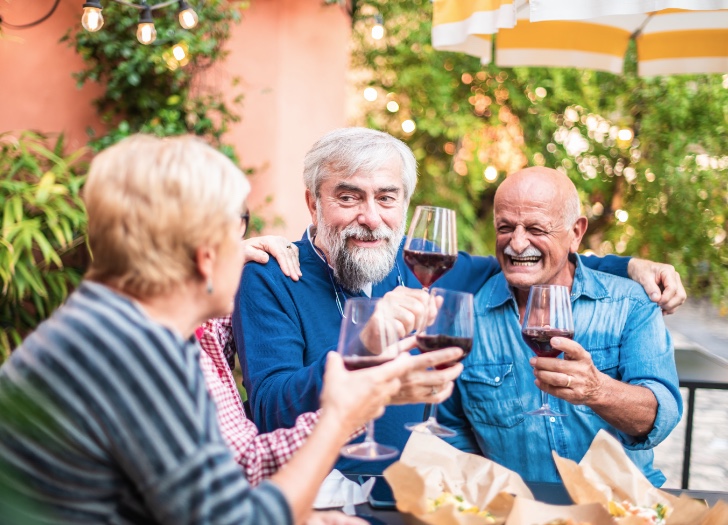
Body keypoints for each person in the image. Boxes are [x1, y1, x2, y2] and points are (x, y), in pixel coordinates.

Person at [0, 134, 460, 525]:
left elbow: (242, 464)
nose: (250, 242)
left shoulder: (118, 327)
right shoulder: (132, 358)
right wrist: (342, 416)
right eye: (238, 224)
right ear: (204, 255)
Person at [233, 127, 686, 473]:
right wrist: (360, 345)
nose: (370, 217)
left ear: (405, 204)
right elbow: (271, 410)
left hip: (414, 494)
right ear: (313, 204)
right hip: (318, 494)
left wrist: (628, 266)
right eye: (348, 197)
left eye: (386, 197)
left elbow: (526, 258)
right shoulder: (273, 276)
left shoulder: (422, 262)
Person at [438, 167, 682, 487]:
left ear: (576, 233)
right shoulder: (468, 316)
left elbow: (658, 419)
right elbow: (453, 428)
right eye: (505, 227)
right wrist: (491, 495)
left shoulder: (631, 304)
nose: (518, 243)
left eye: (536, 228)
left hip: (620, 510)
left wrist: (599, 391)